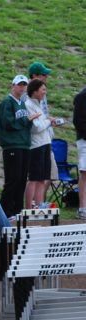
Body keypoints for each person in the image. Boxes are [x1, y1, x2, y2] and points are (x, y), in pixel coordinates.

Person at [0, 74, 41, 218]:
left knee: (22, 179)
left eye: (24, 85)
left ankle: (17, 210)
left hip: (24, 145)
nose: (22, 87)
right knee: (13, 179)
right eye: (19, 84)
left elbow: (24, 125)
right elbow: (9, 124)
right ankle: (4, 211)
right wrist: (27, 120)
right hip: (12, 145)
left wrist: (28, 121)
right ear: (13, 85)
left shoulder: (22, 103)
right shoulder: (7, 103)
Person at [24, 79, 56, 209]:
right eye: (43, 89)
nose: (45, 92)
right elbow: (35, 128)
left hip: (46, 143)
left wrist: (48, 121)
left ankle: (39, 205)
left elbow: (41, 124)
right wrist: (48, 122)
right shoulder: (28, 105)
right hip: (36, 145)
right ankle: (28, 207)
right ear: (35, 91)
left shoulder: (40, 104)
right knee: (34, 178)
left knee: (43, 178)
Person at [75, 86, 86, 220]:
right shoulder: (82, 96)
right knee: (84, 172)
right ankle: (83, 207)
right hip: (84, 140)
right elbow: (78, 121)